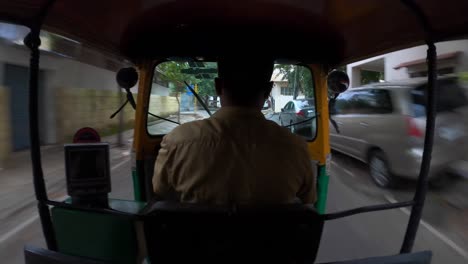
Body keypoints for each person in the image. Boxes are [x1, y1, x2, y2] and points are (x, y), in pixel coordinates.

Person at [152, 57, 316, 205]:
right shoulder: (296, 148)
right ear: (267, 90)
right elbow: (308, 199)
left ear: (218, 86)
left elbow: (160, 190)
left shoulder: (177, 141)